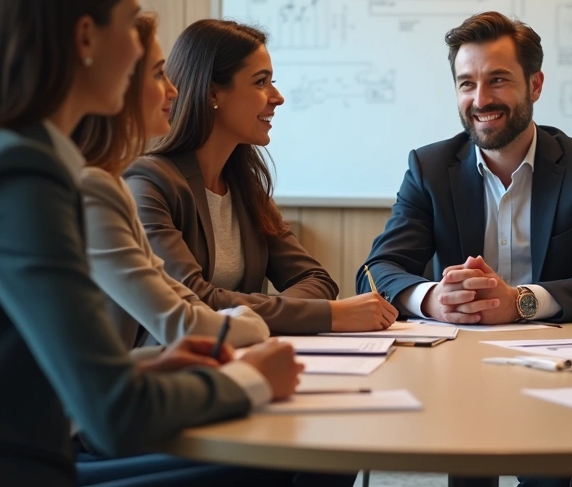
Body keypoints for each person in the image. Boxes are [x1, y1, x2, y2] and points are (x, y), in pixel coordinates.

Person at [0, 0, 297, 487]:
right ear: (85, 37)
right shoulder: (16, 170)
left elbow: (25, 367)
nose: (140, 52)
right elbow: (113, 414)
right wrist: (251, 381)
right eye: (131, 25)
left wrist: (149, 365)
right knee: (280, 465)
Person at [360, 11, 572, 325]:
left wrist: (521, 302)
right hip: (456, 346)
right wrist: (433, 300)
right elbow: (375, 272)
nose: (480, 100)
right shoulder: (430, 169)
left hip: (555, 345)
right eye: (467, 84)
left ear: (535, 85)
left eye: (497, 80)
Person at [126, 19, 397, 334]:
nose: (277, 97)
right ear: (213, 93)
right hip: (170, 360)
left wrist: (271, 313)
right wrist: (326, 315)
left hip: (241, 353)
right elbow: (192, 301)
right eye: (260, 82)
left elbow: (318, 280)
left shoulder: (245, 187)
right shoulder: (148, 184)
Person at [73, 12, 269, 349]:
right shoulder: (108, 186)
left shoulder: (112, 184)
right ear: (118, 83)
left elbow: (184, 305)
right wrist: (253, 324)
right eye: (158, 74)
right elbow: (181, 321)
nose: (174, 89)